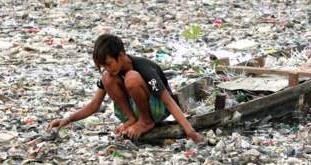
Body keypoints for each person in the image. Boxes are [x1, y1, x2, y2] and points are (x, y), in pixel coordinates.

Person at [48, 34, 202, 143]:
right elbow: (94, 105)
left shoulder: (144, 67)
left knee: (132, 78)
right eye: (103, 66)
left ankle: (145, 121)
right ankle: (132, 119)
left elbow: (168, 101)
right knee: (107, 78)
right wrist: (66, 120)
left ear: (121, 55)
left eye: (108, 64)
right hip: (135, 110)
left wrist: (189, 130)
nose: (107, 68)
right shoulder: (110, 73)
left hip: (157, 109)